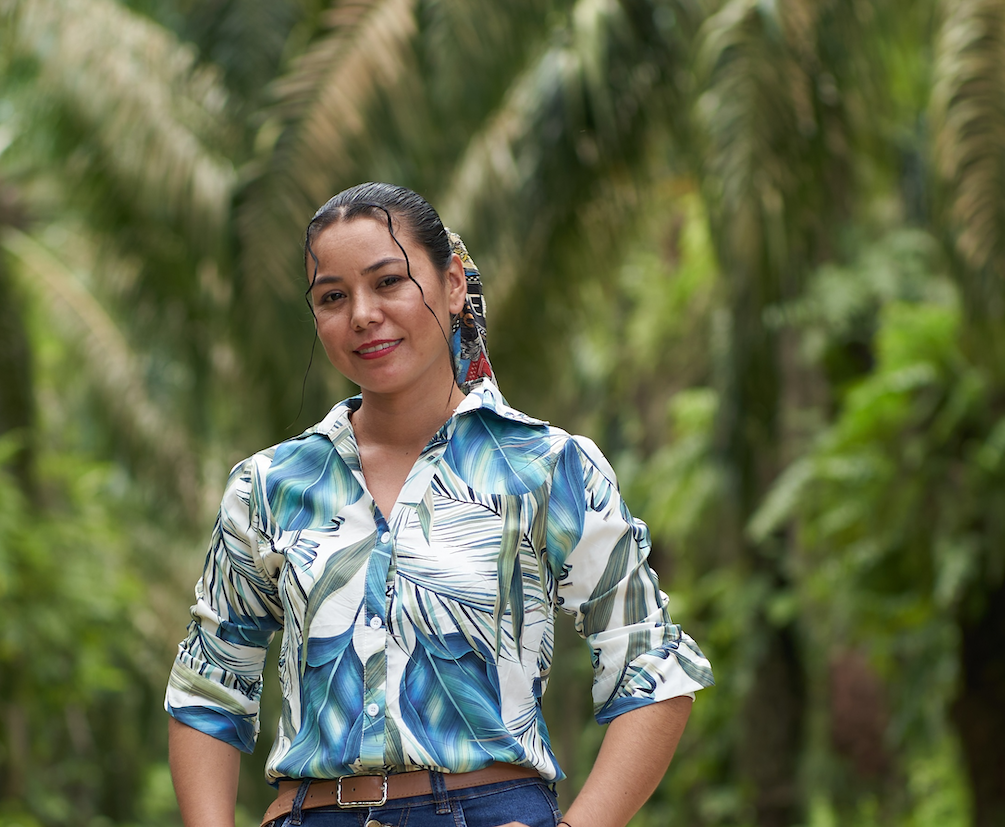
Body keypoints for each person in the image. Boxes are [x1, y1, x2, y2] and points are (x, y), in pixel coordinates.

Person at [165, 182, 714, 827]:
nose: (363, 315)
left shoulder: (548, 468)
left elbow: (650, 665)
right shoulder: (270, 485)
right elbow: (209, 688)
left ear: (453, 283)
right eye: (332, 298)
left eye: (389, 281)